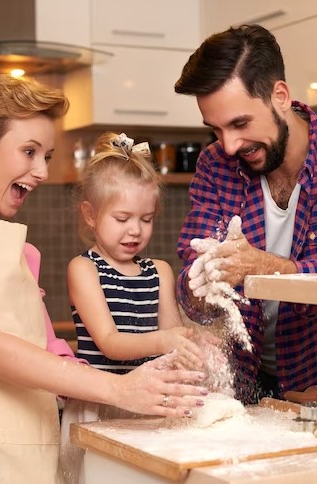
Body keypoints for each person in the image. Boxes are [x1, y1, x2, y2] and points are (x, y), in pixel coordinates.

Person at [0, 76, 208, 484]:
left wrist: (140, 391)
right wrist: (117, 390)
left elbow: (50, 352)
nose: (43, 171)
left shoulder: (18, 249)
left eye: (47, 155)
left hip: (16, 459)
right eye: (29, 152)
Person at [173, 24, 317, 403]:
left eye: (240, 124)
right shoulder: (214, 165)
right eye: (216, 130)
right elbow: (191, 283)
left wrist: (261, 266)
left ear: (280, 96)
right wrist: (200, 284)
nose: (227, 146)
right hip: (244, 390)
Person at [60, 132, 221, 482]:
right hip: (99, 407)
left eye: (146, 219)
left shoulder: (159, 272)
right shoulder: (84, 268)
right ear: (90, 214)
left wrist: (197, 345)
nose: (135, 230)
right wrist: (166, 341)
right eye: (122, 219)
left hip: (148, 406)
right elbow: (111, 343)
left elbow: (171, 340)